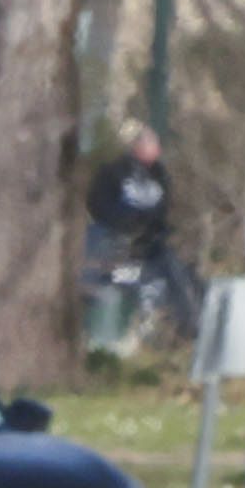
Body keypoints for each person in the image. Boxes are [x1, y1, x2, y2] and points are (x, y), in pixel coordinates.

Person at [82, 122, 178, 359]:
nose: (155, 150)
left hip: (148, 244)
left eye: (155, 144)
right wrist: (125, 224)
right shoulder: (114, 172)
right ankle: (102, 341)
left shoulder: (160, 175)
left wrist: (151, 231)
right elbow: (98, 204)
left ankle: (146, 338)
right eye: (149, 144)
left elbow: (164, 209)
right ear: (137, 146)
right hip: (111, 239)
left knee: (153, 284)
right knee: (111, 285)